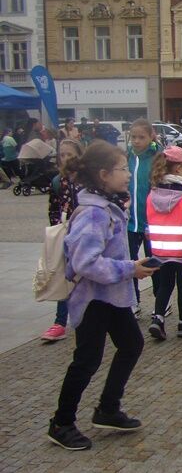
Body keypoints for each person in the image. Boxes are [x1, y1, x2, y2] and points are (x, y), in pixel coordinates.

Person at [48, 141, 157, 451]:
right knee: (87, 360)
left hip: (112, 296)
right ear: (103, 175)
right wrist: (130, 269)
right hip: (93, 299)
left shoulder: (109, 205)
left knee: (131, 344)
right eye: (122, 169)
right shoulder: (94, 214)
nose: (128, 174)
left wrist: (133, 267)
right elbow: (85, 263)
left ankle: (108, 409)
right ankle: (61, 423)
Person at [146, 146, 182, 340]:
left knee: (165, 285)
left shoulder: (152, 194)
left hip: (160, 250)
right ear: (177, 169)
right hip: (181, 251)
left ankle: (158, 319)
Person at [40, 139, 84, 342]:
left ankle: (91, 314)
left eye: (70, 154)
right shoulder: (58, 181)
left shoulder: (88, 178)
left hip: (86, 235)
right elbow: (53, 208)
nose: (66, 158)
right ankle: (60, 322)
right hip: (67, 235)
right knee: (65, 276)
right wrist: (58, 229)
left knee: (86, 276)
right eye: (62, 155)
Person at [126, 118, 164, 318]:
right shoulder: (127, 157)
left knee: (154, 263)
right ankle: (133, 302)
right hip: (129, 223)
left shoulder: (157, 158)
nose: (136, 141)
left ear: (151, 137)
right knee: (130, 263)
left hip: (151, 222)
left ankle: (161, 303)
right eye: (133, 137)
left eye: (141, 137)